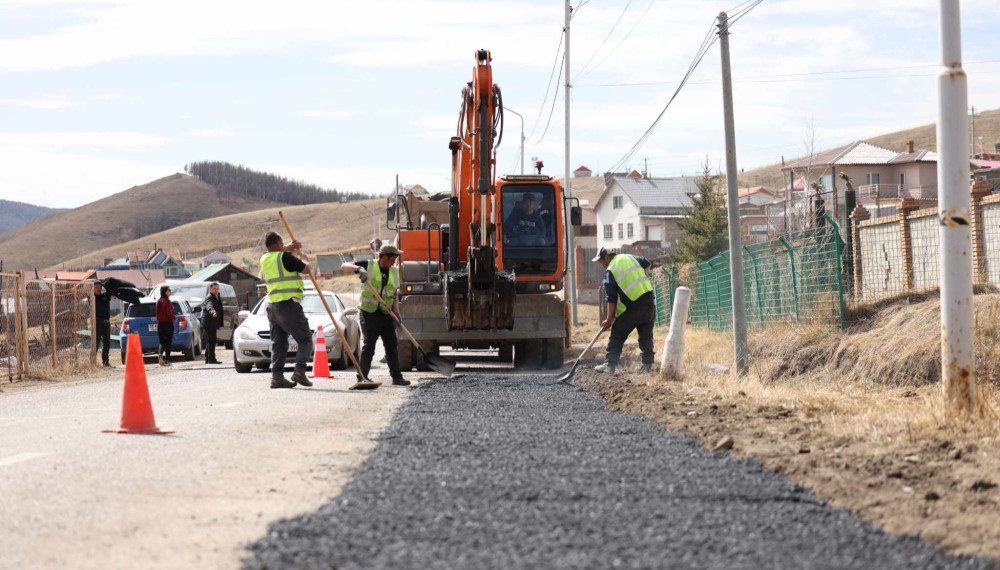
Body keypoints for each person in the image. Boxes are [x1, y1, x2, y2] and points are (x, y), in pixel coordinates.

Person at [340, 244, 410, 386]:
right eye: (394, 258)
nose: (395, 261)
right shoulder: (369, 265)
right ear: (385, 257)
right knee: (369, 346)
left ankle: (397, 377)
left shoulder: (394, 272)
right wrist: (359, 269)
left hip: (386, 314)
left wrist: (396, 312)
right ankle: (362, 377)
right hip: (369, 313)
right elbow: (343, 266)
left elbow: (395, 294)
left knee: (391, 346)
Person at [259, 231, 313, 389]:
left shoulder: (264, 258)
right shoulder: (285, 257)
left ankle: (277, 378)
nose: (283, 246)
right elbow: (306, 270)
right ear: (277, 243)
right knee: (305, 339)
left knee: (279, 344)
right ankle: (300, 371)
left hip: (272, 306)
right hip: (288, 305)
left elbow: (278, 254)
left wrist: (290, 247)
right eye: (282, 243)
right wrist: (303, 258)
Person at [592, 247, 656, 374]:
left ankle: (609, 365)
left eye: (600, 260)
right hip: (649, 301)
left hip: (633, 305)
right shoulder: (629, 257)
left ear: (606, 257)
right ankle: (648, 366)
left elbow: (611, 299)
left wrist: (609, 320)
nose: (601, 264)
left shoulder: (610, 271)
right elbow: (647, 263)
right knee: (646, 335)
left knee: (617, 333)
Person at [93, 281, 117, 367]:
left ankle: (106, 362)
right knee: (96, 342)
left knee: (107, 343)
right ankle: (92, 363)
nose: (98, 289)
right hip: (97, 322)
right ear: (93, 288)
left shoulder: (105, 296)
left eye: (100, 287)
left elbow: (111, 291)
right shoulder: (92, 297)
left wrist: (104, 284)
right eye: (96, 287)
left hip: (106, 322)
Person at [200, 282, 224, 365]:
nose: (216, 290)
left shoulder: (217, 296)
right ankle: (211, 359)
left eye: (217, 288)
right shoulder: (209, 297)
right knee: (211, 341)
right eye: (214, 288)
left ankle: (208, 359)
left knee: (210, 341)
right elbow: (209, 306)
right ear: (210, 289)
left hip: (212, 322)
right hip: (208, 323)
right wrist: (213, 312)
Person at [155, 286, 176, 366]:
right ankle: (167, 360)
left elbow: (157, 313)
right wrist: (174, 317)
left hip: (160, 324)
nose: (170, 291)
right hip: (168, 323)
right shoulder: (167, 301)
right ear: (165, 292)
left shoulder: (158, 301)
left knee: (162, 342)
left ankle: (160, 354)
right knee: (168, 342)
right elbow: (169, 313)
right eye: (169, 290)